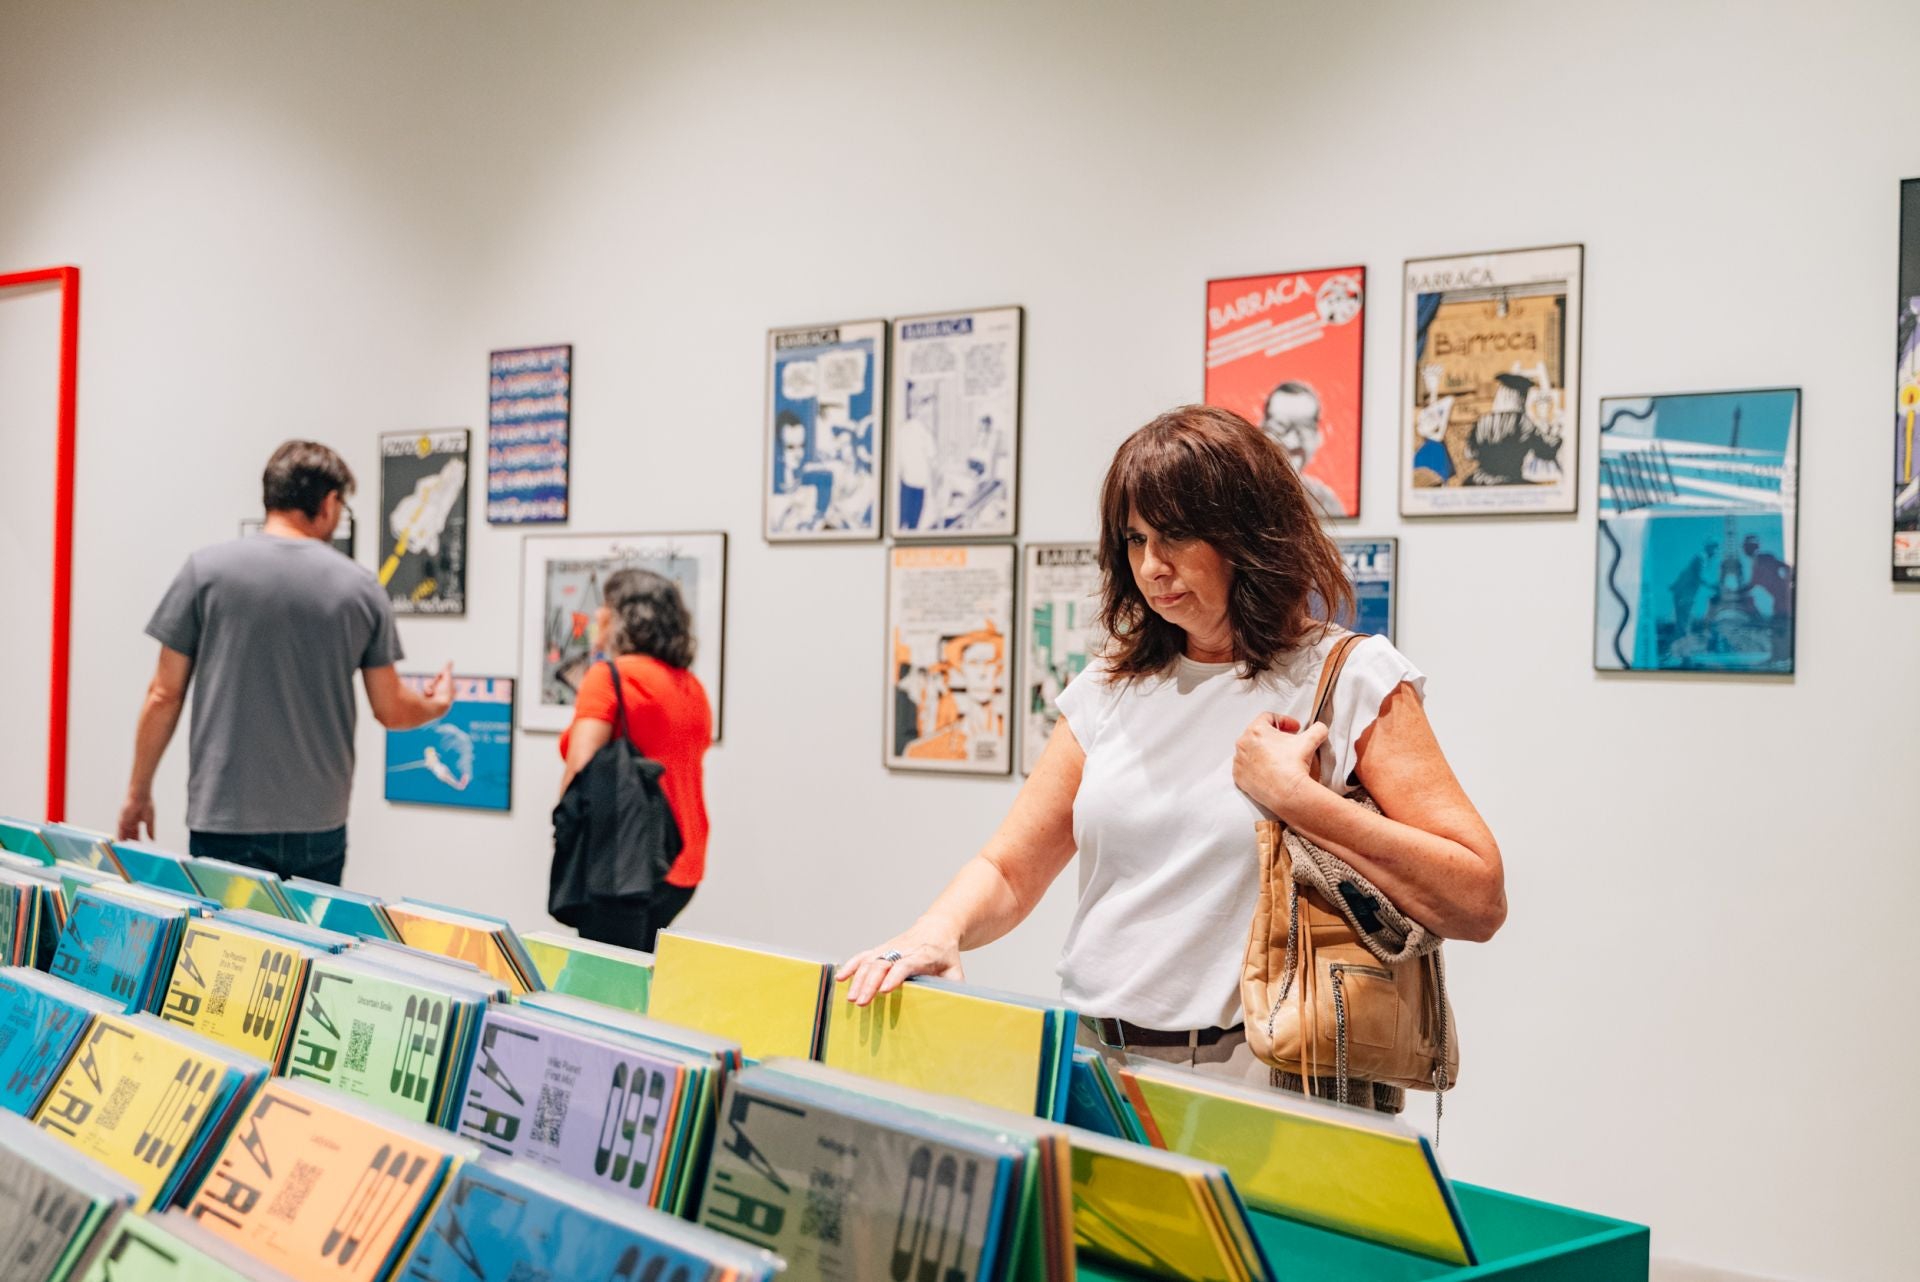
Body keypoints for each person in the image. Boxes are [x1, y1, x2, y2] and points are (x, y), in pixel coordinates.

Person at [840, 404, 1505, 1110]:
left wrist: (1299, 801)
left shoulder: (1349, 676)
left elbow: (1477, 898)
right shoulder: (1111, 686)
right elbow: (1008, 869)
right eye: (1135, 539)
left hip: (1266, 1076)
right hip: (1098, 1063)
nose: (1152, 567)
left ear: (1250, 534)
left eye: (1177, 536)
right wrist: (936, 930)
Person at [118, 440, 452, 884]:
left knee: (226, 951)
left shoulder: (206, 572)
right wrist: (439, 703)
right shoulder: (360, 588)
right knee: (310, 952)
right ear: (329, 502)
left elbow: (164, 695)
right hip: (318, 825)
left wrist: (139, 793)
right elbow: (391, 709)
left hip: (225, 818)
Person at [557, 568, 712, 952]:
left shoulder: (609, 677)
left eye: (604, 607)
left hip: (623, 861)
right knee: (637, 976)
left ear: (621, 616)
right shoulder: (690, 685)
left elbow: (581, 765)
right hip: (682, 859)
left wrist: (563, 836)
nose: (596, 616)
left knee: (603, 987)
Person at [1261, 381, 1345, 517]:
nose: (1292, 442)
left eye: (1304, 428)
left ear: (1318, 436)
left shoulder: (1325, 500)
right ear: (1261, 428)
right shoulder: (1240, 491)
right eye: (1279, 425)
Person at [1464, 371, 1563, 485]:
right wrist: (1557, 436)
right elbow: (1546, 451)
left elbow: (1469, 453)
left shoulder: (1482, 421)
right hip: (1510, 481)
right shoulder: (1522, 421)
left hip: (1479, 480)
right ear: (1521, 397)